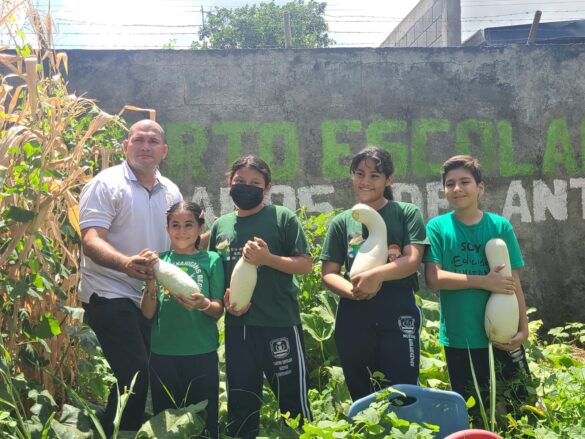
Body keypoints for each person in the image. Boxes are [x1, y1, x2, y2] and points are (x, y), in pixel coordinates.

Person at [78, 120, 182, 435]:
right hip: (108, 293)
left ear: (163, 151)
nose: (145, 147)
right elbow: (91, 239)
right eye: (138, 140)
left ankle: (108, 429)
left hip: (149, 297)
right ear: (126, 147)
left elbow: (182, 239)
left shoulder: (171, 191)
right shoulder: (106, 184)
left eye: (153, 141)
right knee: (136, 373)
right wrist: (124, 263)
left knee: (135, 374)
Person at [208, 155, 312, 439]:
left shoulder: (281, 218)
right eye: (240, 181)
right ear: (230, 183)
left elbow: (304, 264)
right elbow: (216, 272)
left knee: (293, 402)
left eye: (255, 182)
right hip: (238, 326)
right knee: (241, 401)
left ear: (267, 188)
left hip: (279, 323)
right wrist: (223, 300)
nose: (246, 187)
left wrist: (266, 258)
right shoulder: (222, 226)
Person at [423, 155, 530, 418]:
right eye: (450, 184)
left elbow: (513, 280)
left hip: (505, 332)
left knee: (521, 403)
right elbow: (433, 279)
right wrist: (485, 281)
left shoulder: (499, 226)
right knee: (473, 410)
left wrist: (523, 327)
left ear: (480, 187)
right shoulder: (437, 228)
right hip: (461, 336)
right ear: (444, 190)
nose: (457, 188)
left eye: (464, 182)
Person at [320, 146, 429, 401]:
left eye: (375, 176)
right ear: (352, 176)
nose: (365, 181)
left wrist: (376, 276)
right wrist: (352, 290)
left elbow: (412, 260)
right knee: (362, 390)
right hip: (354, 311)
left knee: (402, 391)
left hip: (398, 308)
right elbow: (329, 272)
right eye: (359, 174)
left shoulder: (406, 213)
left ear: (389, 180)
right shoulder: (342, 221)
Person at [141, 201, 224, 439]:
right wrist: (149, 283)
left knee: (203, 424)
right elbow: (147, 313)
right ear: (167, 229)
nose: (181, 231)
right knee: (167, 423)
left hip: (201, 352)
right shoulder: (159, 262)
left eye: (188, 225)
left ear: (200, 228)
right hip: (163, 353)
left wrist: (203, 304)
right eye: (175, 225)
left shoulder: (211, 260)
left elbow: (218, 309)